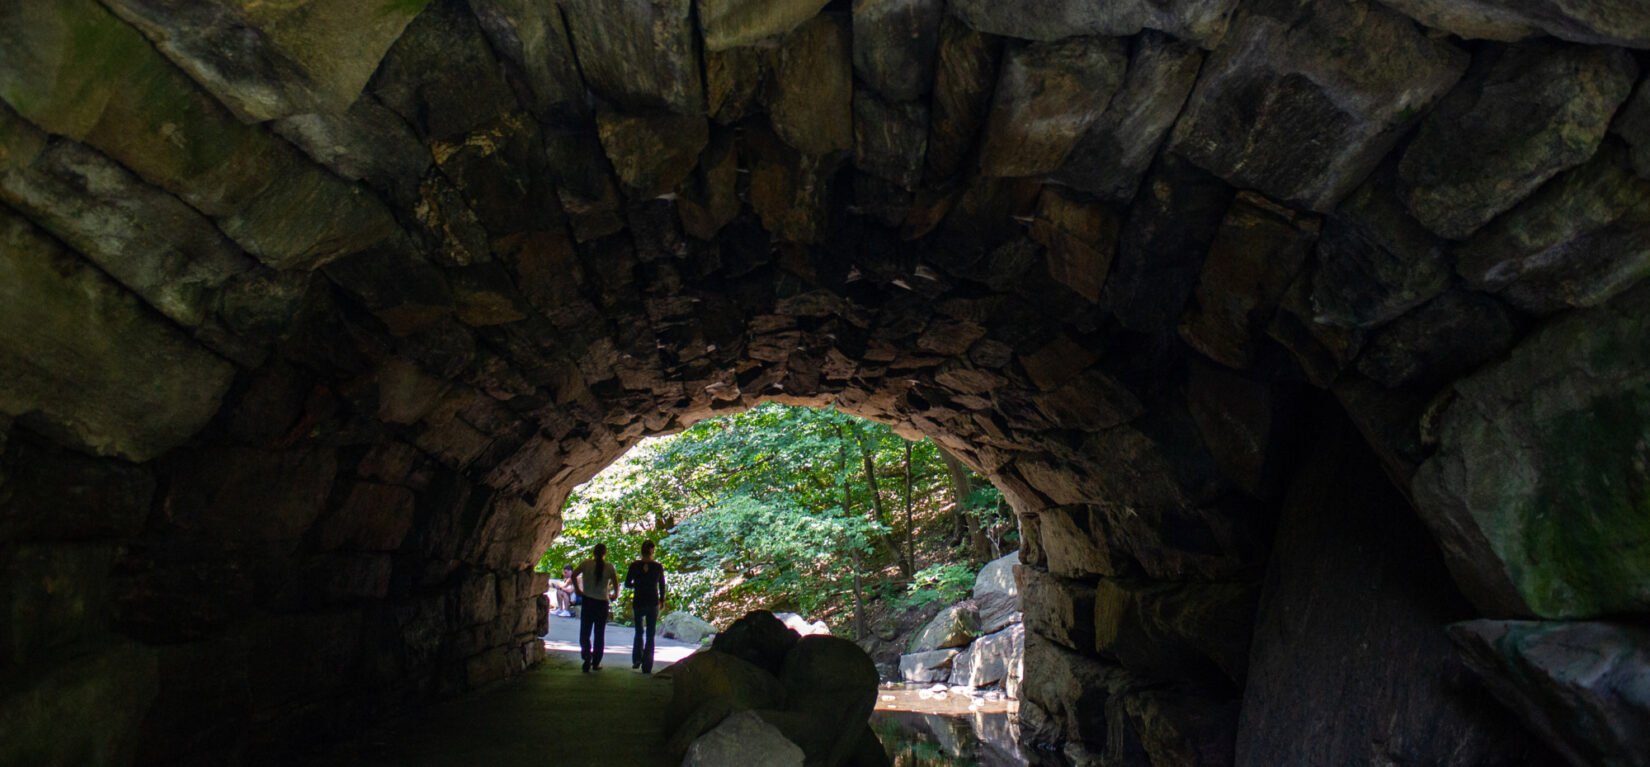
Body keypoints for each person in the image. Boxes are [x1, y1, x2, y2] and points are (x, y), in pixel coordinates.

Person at [570, 543, 618, 672]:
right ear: (605, 554)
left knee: (585, 632)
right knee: (599, 633)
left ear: (593, 552)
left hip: (588, 601)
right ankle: (596, 662)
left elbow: (573, 575)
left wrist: (578, 590)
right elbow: (615, 583)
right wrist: (614, 594)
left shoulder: (586, 564)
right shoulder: (609, 567)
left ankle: (587, 656)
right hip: (602, 603)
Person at [624, 541, 668, 674]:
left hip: (638, 601)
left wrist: (637, 585)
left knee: (638, 631)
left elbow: (627, 583)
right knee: (650, 633)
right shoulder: (657, 567)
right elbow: (661, 585)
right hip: (652, 601)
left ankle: (637, 658)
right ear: (652, 551)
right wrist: (662, 600)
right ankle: (647, 665)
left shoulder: (634, 565)